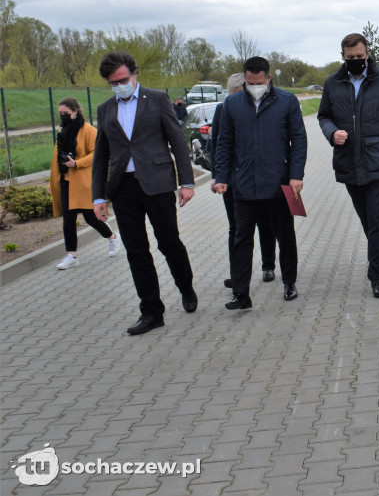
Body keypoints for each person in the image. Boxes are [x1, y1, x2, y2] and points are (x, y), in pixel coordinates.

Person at [91, 51, 198, 336]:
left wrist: (187, 183)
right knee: (136, 251)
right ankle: (151, 311)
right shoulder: (105, 110)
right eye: (113, 83)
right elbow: (100, 156)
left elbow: (177, 142)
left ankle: (185, 286)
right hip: (123, 189)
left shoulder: (158, 99)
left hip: (158, 184)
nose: (119, 85)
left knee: (169, 243)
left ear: (135, 74)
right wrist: (98, 197)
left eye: (123, 80)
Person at [317, 33, 379, 298]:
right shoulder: (333, 83)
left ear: (367, 54)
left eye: (360, 56)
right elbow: (324, 115)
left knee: (378, 219)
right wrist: (332, 132)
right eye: (351, 58)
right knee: (368, 220)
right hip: (349, 162)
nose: (356, 61)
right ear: (343, 57)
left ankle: (376, 276)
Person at [214, 57, 307, 310]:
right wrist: (221, 177)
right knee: (242, 239)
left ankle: (289, 282)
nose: (254, 86)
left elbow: (298, 139)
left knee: (285, 235)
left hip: (280, 183)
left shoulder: (286, 101)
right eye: (249, 82)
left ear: (268, 79)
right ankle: (241, 294)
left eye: (258, 82)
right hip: (243, 185)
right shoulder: (232, 104)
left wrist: (296, 175)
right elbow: (224, 143)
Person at [208, 73, 278, 289]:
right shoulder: (223, 109)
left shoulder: (262, 106)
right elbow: (216, 146)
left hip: (261, 177)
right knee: (236, 228)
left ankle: (268, 266)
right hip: (232, 181)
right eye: (235, 96)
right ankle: (237, 273)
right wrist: (217, 176)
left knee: (266, 223)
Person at [50, 97, 121, 269]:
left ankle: (112, 237)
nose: (62, 116)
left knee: (91, 218)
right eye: (60, 113)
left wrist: (76, 163)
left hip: (83, 182)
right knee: (68, 220)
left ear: (75, 112)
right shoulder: (63, 131)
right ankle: (72, 256)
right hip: (66, 181)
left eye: (65, 113)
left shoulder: (89, 130)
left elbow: (97, 153)